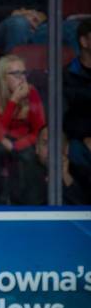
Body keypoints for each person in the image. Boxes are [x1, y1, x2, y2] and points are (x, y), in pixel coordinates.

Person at [0, 54, 46, 203]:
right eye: (16, 74)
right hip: (0, 145)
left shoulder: (32, 92)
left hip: (24, 144)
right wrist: (14, 101)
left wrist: (16, 146)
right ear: (3, 78)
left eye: (24, 73)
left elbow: (40, 129)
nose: (22, 78)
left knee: (28, 154)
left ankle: (30, 204)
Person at [19, 126, 91, 205]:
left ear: (67, 148)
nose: (51, 150)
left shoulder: (81, 173)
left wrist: (66, 177)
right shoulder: (23, 172)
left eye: (57, 143)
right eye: (45, 144)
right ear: (37, 148)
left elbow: (84, 210)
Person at [63, 17, 91, 193]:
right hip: (79, 141)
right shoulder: (67, 75)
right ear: (84, 41)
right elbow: (65, 117)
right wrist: (85, 137)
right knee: (74, 151)